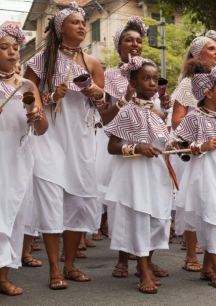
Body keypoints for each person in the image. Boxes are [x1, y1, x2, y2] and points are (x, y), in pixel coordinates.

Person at [24, 2, 105, 289]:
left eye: (84, 23)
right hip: (49, 138)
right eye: (75, 22)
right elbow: (28, 96)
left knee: (78, 202)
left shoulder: (92, 63)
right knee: (49, 198)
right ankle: (54, 269)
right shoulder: (40, 60)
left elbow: (105, 108)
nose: (82, 27)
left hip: (81, 141)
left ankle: (70, 265)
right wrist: (48, 97)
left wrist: (96, 92)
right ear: (60, 29)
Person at [104, 57, 173, 294]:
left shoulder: (158, 113)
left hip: (157, 173)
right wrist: (136, 148)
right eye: (146, 78)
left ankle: (147, 261)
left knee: (157, 219)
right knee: (140, 219)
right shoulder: (126, 112)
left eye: (155, 78)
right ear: (133, 81)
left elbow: (165, 143)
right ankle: (143, 270)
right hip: (134, 174)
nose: (153, 83)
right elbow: (112, 147)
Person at [171, 30, 216, 273]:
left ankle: (215, 255)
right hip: (195, 152)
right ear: (197, 54)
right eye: (211, 48)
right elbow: (178, 120)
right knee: (197, 202)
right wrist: (201, 133)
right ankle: (192, 255)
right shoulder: (189, 84)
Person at [0, 23, 48, 295]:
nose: (12, 52)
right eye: (4, 47)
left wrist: (37, 116)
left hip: (18, 159)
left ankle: (3, 274)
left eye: (15, 48)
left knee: (14, 214)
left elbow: (41, 130)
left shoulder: (27, 85)